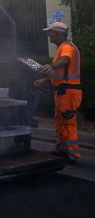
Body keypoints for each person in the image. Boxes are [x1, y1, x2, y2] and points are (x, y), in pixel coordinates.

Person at [34, 21, 82, 163]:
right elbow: (60, 72)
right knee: (61, 121)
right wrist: (45, 80)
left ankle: (73, 154)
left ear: (57, 34)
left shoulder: (66, 47)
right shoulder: (63, 47)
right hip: (64, 92)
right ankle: (62, 149)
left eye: (50, 32)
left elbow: (66, 60)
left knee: (67, 123)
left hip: (68, 92)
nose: (48, 36)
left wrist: (52, 65)